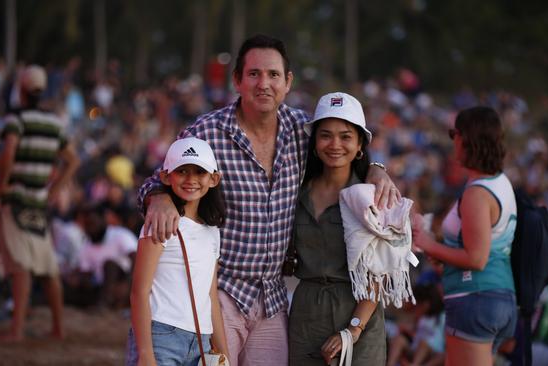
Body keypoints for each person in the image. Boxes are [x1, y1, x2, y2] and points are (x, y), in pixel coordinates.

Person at [137, 34, 399, 366]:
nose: (264, 83)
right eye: (254, 74)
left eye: (273, 75)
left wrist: (377, 169)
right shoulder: (206, 132)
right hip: (221, 292)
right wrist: (158, 197)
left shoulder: (303, 131)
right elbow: (158, 178)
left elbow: (345, 148)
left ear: (287, 82)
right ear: (237, 80)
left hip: (273, 298)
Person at [412, 106, 518, 365]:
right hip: (496, 297)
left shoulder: (477, 194)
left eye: (453, 134)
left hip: (475, 298)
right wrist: (442, 253)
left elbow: (476, 257)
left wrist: (428, 244)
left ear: (466, 139)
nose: (452, 141)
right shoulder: (498, 182)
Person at [288, 92, 386, 365]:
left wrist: (353, 329)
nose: (335, 144)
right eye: (326, 135)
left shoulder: (372, 195)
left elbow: (378, 275)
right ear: (315, 142)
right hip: (306, 311)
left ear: (360, 146)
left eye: (345, 136)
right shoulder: (296, 190)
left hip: (357, 311)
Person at [0, 64, 79, 341]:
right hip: (39, 202)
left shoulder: (15, 119)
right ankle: (58, 328)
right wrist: (54, 190)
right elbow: (72, 160)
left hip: (17, 198)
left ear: (21, 88)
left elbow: (8, 152)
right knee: (47, 266)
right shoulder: (54, 123)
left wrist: (3, 183)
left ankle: (16, 329)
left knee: (21, 266)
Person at [127, 137, 229, 366]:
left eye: (199, 172)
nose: (191, 180)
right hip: (160, 335)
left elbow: (211, 296)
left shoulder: (212, 231)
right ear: (165, 176)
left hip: (201, 341)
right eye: (182, 171)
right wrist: (145, 354)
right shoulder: (160, 222)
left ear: (214, 179)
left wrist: (224, 352)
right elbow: (139, 292)